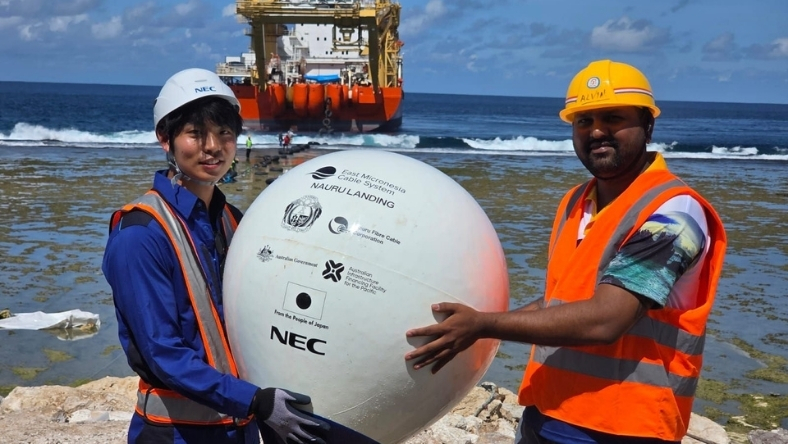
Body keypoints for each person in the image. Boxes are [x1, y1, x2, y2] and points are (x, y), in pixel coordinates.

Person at [404, 60, 727, 444]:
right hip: (548, 413)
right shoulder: (576, 202)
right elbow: (562, 300)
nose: (597, 131)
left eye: (612, 118)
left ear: (648, 125)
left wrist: (484, 324)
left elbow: (606, 319)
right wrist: (476, 329)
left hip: (625, 428)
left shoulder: (673, 213)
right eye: (583, 121)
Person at [102, 68, 329, 444]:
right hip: (176, 434)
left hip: (239, 428)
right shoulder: (140, 235)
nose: (213, 147)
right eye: (195, 134)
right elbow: (162, 352)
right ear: (165, 139)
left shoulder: (232, 220)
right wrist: (254, 400)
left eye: (224, 133)